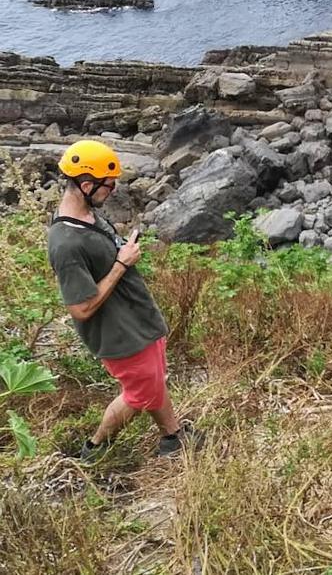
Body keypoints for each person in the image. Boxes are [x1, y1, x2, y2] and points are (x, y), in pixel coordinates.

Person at [46, 139, 198, 462]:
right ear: (86, 185)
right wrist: (121, 264)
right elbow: (81, 308)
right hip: (121, 335)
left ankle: (173, 437)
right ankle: (95, 448)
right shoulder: (66, 244)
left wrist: (121, 253)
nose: (113, 191)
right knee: (140, 393)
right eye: (108, 186)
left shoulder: (88, 214)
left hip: (138, 320)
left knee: (153, 382)